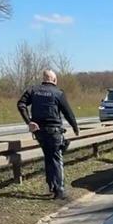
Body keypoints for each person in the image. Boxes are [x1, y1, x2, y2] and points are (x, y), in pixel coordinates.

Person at [17, 69, 80, 199]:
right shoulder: (58, 93)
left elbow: (21, 104)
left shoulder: (33, 90)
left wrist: (29, 122)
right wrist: (75, 127)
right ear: (54, 80)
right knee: (56, 158)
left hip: (40, 131)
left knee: (48, 157)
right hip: (54, 131)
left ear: (44, 78)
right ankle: (59, 189)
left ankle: (52, 185)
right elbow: (68, 112)